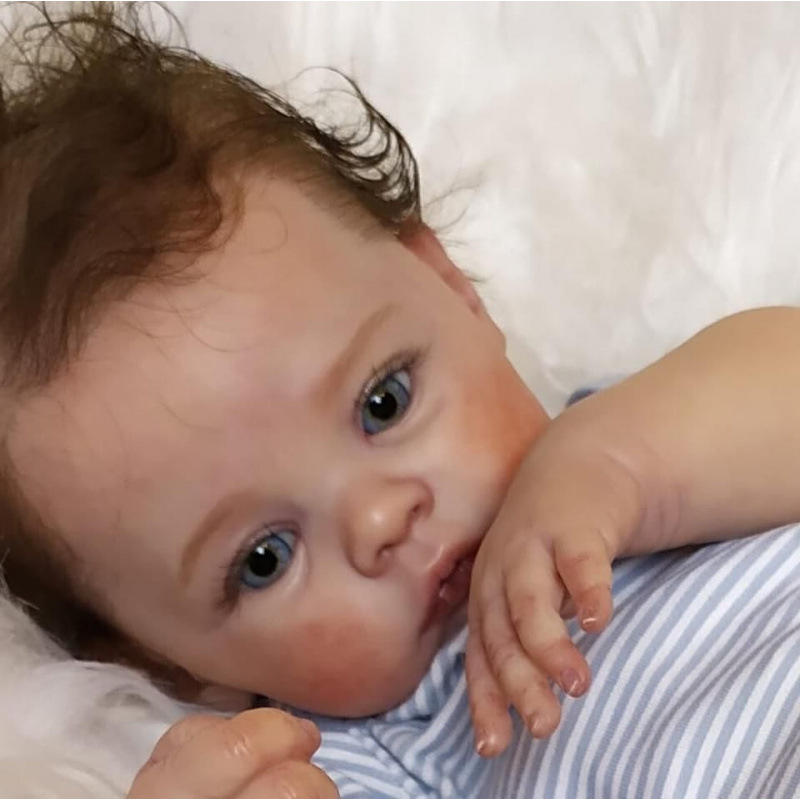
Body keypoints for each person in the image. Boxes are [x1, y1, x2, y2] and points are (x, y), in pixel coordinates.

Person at [1, 5, 798, 798]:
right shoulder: (350, 765)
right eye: (263, 559)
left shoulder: (640, 438)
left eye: (384, 402)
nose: (380, 519)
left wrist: (617, 465)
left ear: (449, 285)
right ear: (171, 667)